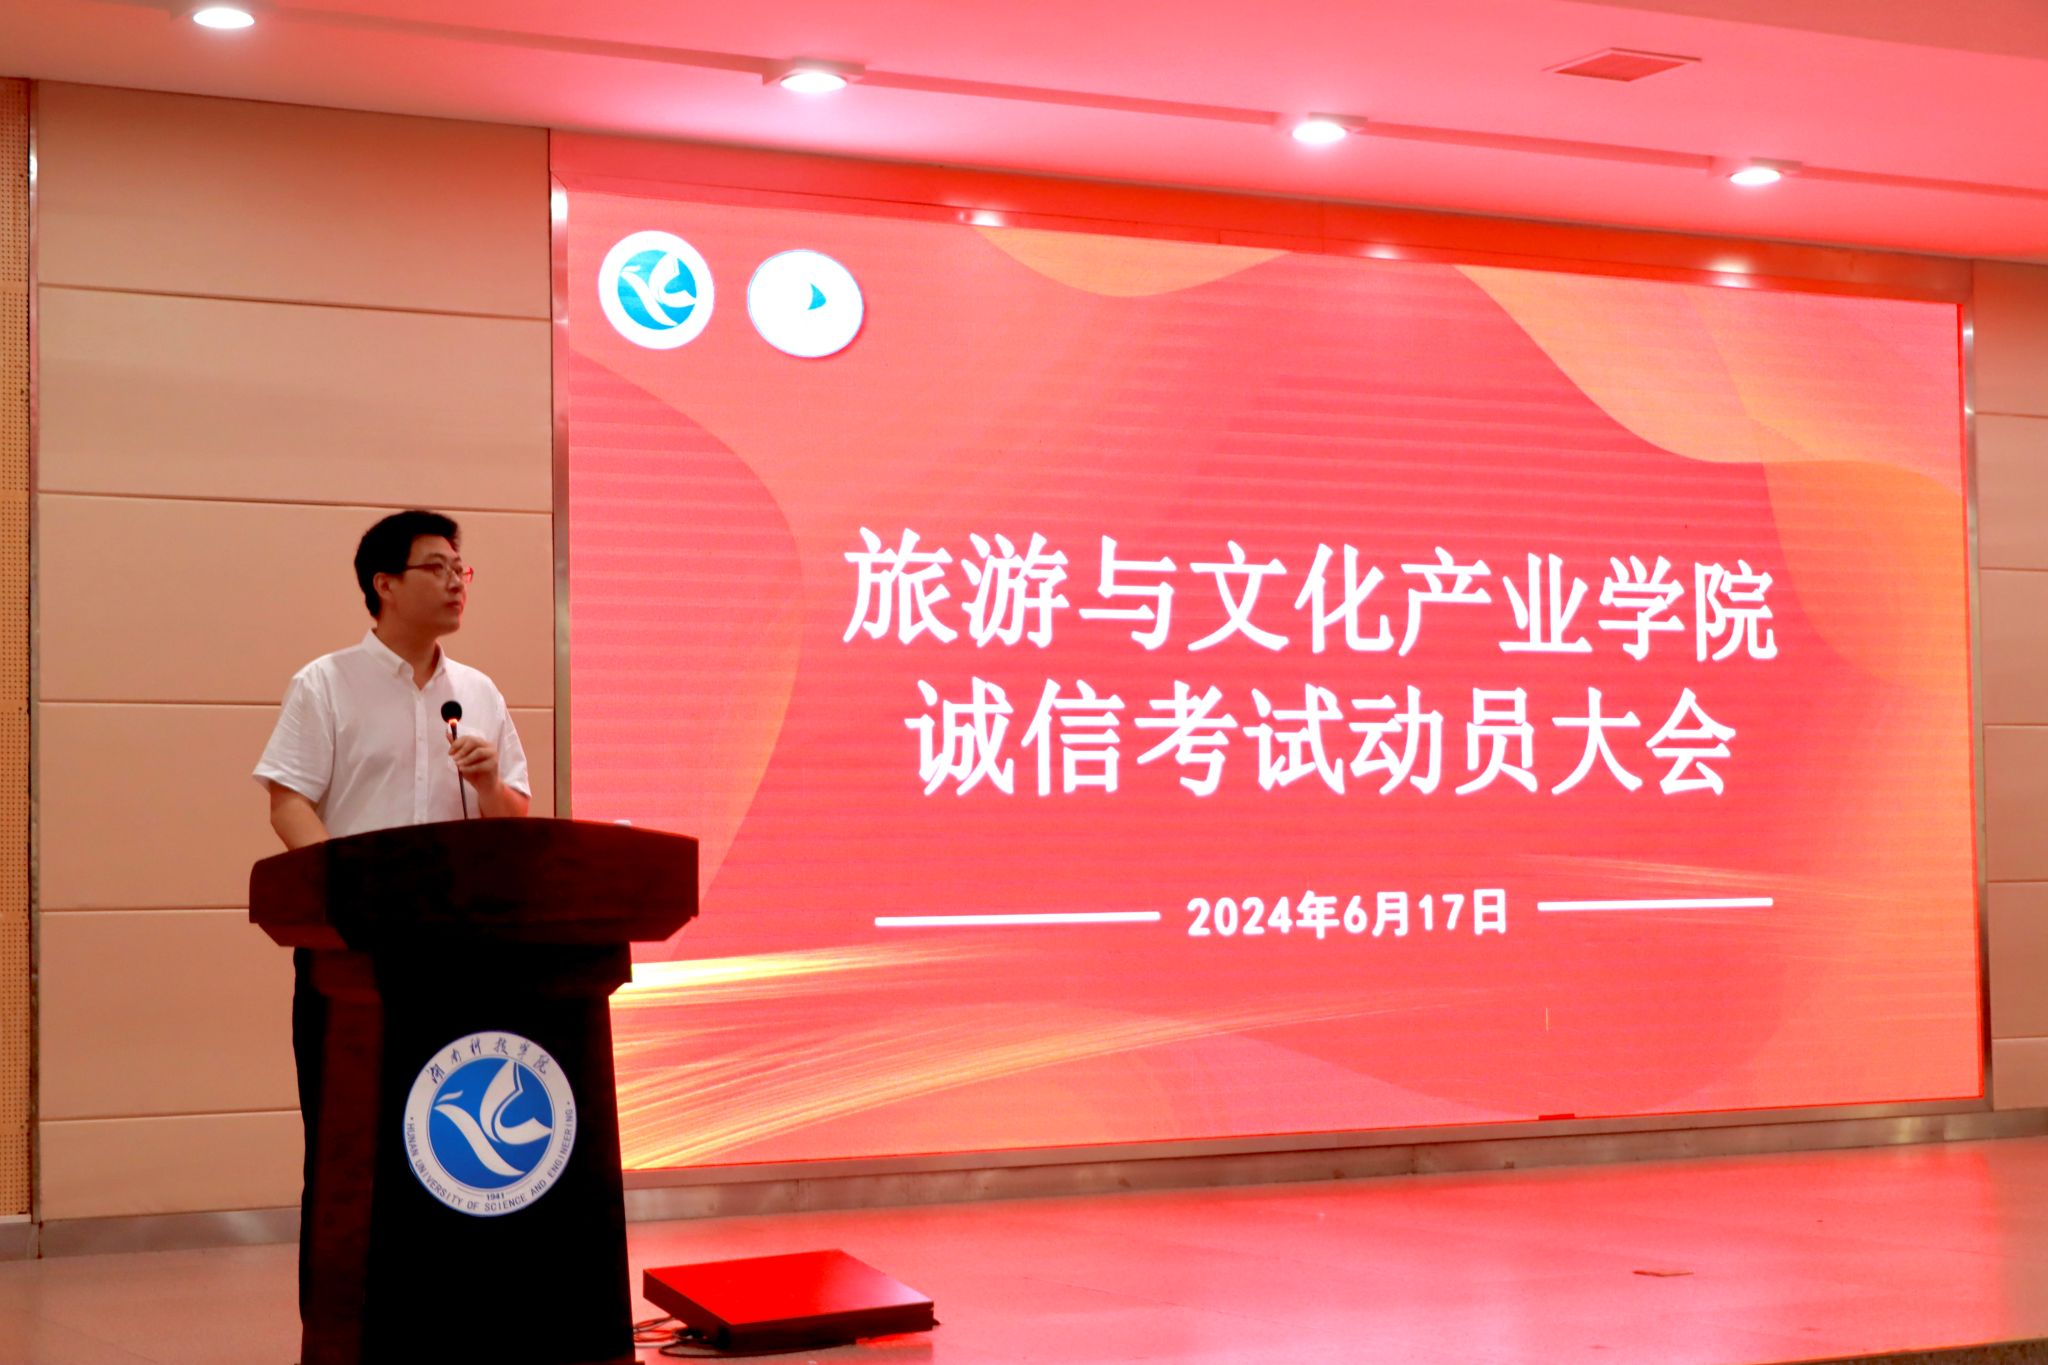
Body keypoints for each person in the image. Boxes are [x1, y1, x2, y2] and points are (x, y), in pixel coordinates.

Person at [252, 508, 531, 1316]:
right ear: (384, 584)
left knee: (453, 1148)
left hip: (460, 955)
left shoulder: (478, 693)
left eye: (460, 569)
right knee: (348, 1147)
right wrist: (343, 894)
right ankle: (342, 1325)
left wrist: (488, 783)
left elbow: (515, 820)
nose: (455, 583)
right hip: (353, 959)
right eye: (435, 567)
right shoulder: (325, 683)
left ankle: (446, 1314)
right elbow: (288, 801)